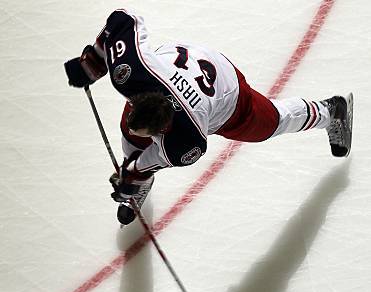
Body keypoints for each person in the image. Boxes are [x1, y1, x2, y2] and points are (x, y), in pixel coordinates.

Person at [65, 9, 353, 225]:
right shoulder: (131, 75)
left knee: (273, 123)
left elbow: (151, 159)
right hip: (179, 66)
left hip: (227, 95)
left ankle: (333, 110)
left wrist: (133, 176)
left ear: (164, 128)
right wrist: (93, 60)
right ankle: (142, 177)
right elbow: (123, 20)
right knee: (131, 136)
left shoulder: (185, 140)